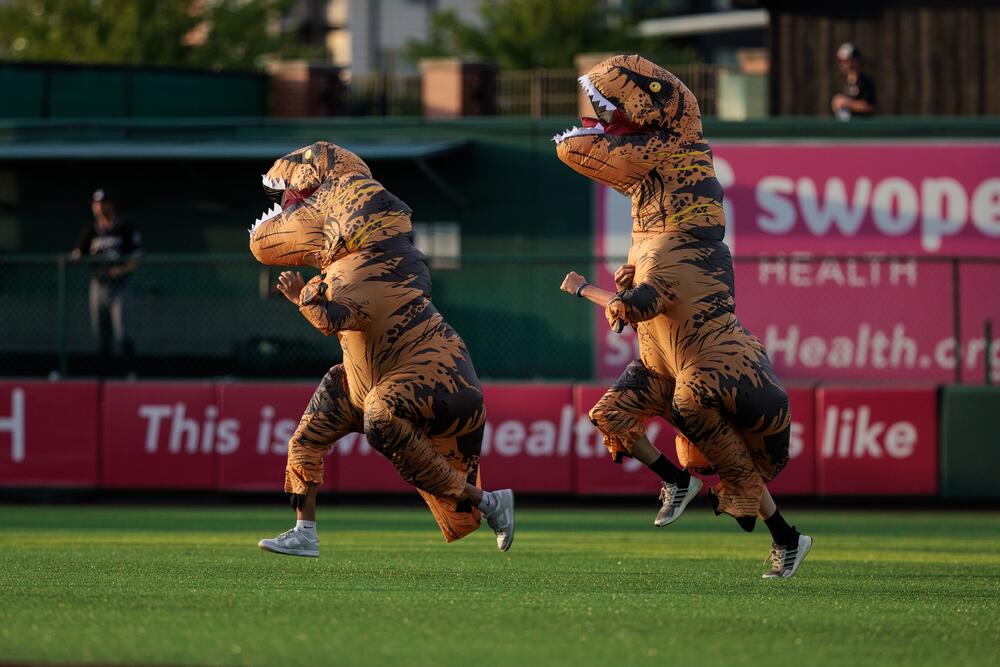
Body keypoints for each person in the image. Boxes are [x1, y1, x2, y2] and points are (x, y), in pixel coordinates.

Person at [554, 54, 811, 578]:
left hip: (714, 365)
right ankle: (678, 481)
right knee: (610, 415)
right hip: (662, 360)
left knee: (692, 400)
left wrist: (586, 290)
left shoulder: (687, 240)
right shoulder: (651, 221)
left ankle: (784, 535)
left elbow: (639, 305)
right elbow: (641, 282)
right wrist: (628, 274)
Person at [249, 142, 514, 557]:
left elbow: (330, 319)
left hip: (429, 370)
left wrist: (304, 296)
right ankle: (304, 531)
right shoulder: (347, 262)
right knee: (305, 441)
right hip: (364, 375)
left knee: (381, 416)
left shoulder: (379, 263)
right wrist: (306, 295)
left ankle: (489, 501)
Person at [70, 189, 141, 376]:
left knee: (123, 333)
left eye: (103, 203)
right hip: (98, 285)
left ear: (111, 205)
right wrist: (72, 259)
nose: (99, 207)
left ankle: (129, 373)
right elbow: (79, 253)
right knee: (101, 335)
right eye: (95, 204)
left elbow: (136, 258)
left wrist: (121, 270)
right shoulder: (90, 231)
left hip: (120, 285)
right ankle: (104, 375)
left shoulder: (126, 228)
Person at [831, 42, 876, 120]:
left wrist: (847, 103)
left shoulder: (865, 81)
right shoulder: (842, 81)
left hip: (863, 127)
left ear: (856, 60)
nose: (842, 64)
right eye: (840, 61)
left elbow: (871, 107)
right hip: (846, 127)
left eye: (845, 60)